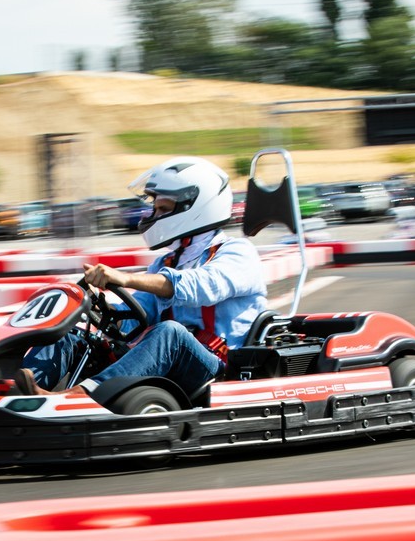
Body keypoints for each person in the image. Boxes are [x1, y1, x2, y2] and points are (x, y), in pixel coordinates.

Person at [17, 156, 267, 399]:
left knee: (170, 333)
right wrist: (101, 310)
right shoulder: (167, 262)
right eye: (155, 208)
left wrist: (126, 279)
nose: (154, 215)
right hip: (172, 360)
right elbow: (139, 314)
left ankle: (81, 396)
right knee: (74, 334)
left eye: (163, 209)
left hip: (218, 370)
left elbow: (201, 286)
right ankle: (24, 391)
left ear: (194, 209)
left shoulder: (237, 252)